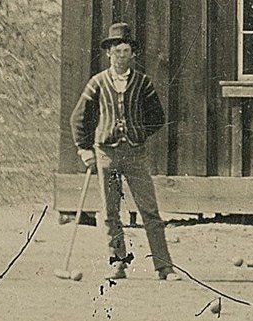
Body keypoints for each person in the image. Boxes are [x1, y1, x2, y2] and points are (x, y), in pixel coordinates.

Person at [70, 22, 180, 281]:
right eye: (117, 51)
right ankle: (118, 263)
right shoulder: (97, 82)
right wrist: (84, 150)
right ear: (109, 53)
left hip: (135, 154)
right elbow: (78, 119)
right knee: (110, 212)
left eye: (126, 51)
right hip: (106, 154)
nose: (121, 56)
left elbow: (157, 117)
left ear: (133, 54)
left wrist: (138, 133)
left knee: (149, 210)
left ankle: (164, 267)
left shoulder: (143, 83)